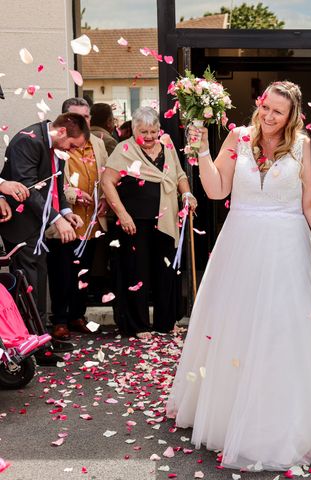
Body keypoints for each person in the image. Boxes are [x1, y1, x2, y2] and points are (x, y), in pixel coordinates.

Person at [167, 81, 311, 470]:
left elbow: (310, 204)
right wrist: (199, 151)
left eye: (277, 112)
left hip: (288, 246)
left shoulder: (304, 146)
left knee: (283, 330)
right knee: (237, 327)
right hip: (241, 244)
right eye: (265, 107)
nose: (268, 116)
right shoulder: (238, 136)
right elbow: (216, 190)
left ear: (292, 117)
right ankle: (229, 415)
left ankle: (280, 419)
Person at [101, 107, 195, 339]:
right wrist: (123, 215)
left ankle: (166, 322)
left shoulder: (167, 145)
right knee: (137, 273)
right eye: (144, 131)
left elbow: (180, 175)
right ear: (133, 130)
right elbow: (107, 182)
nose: (150, 136)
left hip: (166, 219)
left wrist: (187, 195)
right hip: (134, 222)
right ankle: (138, 325)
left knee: (166, 271)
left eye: (154, 130)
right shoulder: (125, 149)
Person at [0, 113, 86, 359]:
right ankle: (32, 346)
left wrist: (66, 212)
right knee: (29, 283)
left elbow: (54, 183)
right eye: (71, 145)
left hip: (38, 223)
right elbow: (26, 186)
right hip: (19, 222)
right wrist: (56, 219)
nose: (71, 151)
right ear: (61, 133)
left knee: (39, 279)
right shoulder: (28, 141)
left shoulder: (54, 145)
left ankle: (40, 339)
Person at [45, 98, 109, 341]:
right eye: (78, 117)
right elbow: (53, 182)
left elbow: (104, 174)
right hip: (64, 220)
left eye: (87, 117)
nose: (84, 121)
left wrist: (104, 198)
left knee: (84, 271)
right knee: (62, 272)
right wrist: (73, 194)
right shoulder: (58, 144)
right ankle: (60, 320)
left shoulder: (98, 144)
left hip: (91, 221)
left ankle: (77, 316)